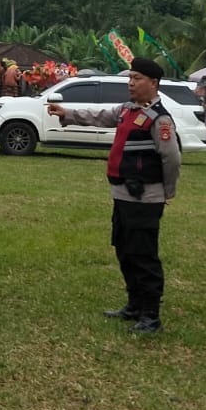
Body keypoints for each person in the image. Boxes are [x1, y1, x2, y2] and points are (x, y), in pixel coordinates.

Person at [47, 56, 182, 334]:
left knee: (144, 255)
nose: (131, 84)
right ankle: (134, 305)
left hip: (146, 197)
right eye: (129, 78)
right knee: (124, 250)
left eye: (137, 79)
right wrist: (66, 113)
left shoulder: (160, 119)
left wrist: (167, 192)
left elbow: (172, 159)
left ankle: (151, 316)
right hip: (122, 194)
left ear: (153, 83)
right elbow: (99, 115)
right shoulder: (127, 110)